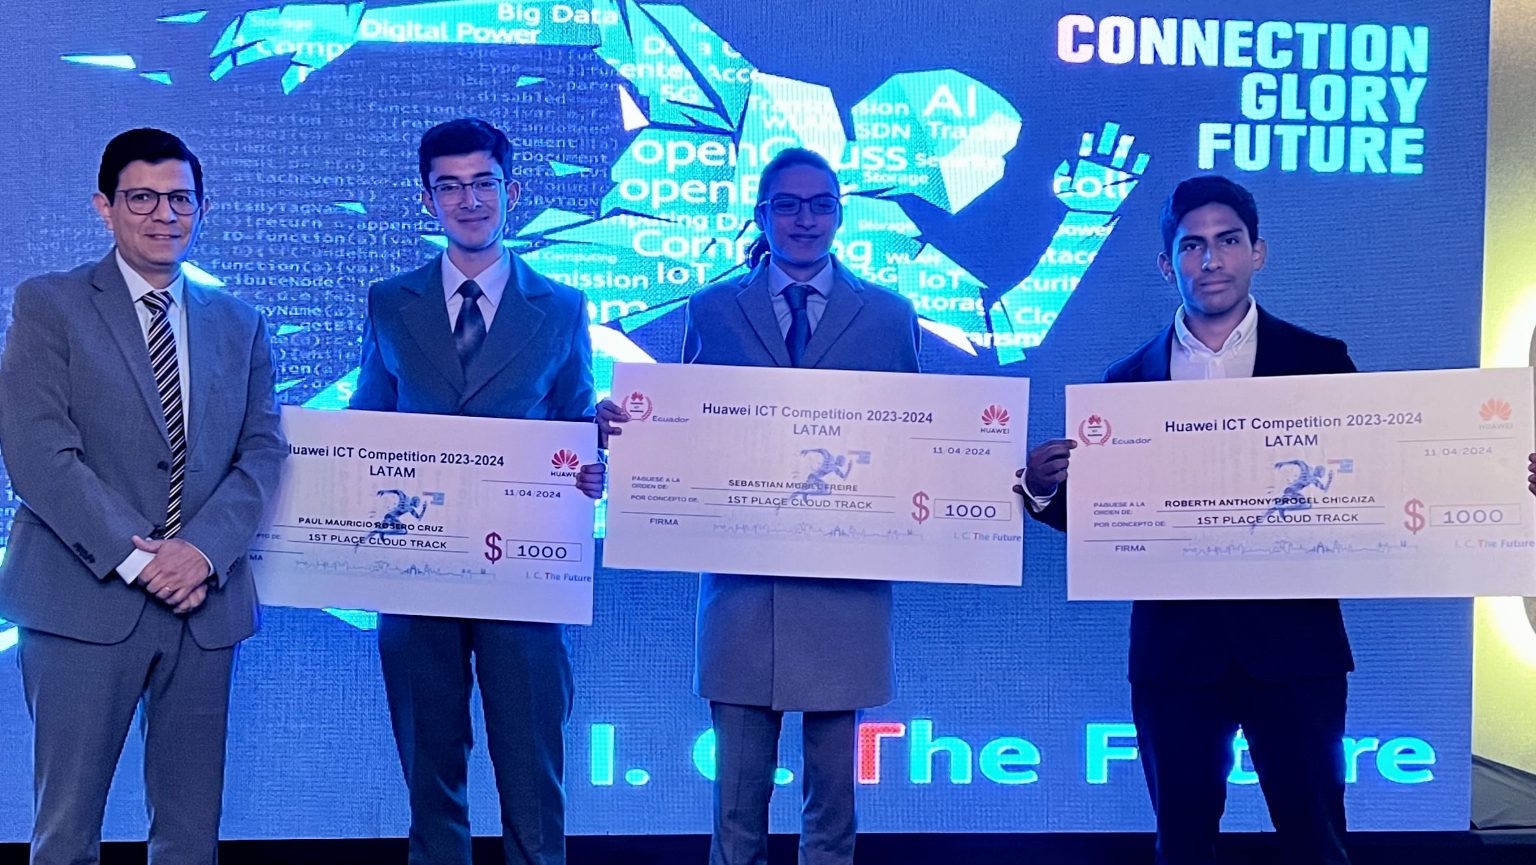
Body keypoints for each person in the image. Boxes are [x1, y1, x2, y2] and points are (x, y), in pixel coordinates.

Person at [1020, 175, 1355, 865]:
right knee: (1181, 846)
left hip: (1295, 649)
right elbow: (1114, 515)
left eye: (1227, 241)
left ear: (1257, 252)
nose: (1211, 259)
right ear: (1167, 264)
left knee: (1318, 843)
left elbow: (1373, 482)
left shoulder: (1321, 363)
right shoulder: (1126, 383)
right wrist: (1045, 491)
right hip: (1175, 654)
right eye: (1192, 245)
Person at [600, 147, 920, 865]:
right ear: (760, 213)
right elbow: (683, 428)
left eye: (821, 204)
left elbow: (915, 440)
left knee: (833, 808)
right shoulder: (713, 308)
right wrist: (630, 433)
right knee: (736, 808)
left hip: (844, 591)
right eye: (787, 204)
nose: (805, 219)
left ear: (840, 215)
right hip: (744, 592)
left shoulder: (889, 316)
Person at [0, 128, 287, 865]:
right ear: (105, 207)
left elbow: (262, 451)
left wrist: (202, 552)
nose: (165, 214)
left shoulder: (240, 323)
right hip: (82, 599)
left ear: (202, 208)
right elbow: (38, 453)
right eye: (142, 198)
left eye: (181, 199)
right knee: (66, 833)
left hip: (204, 604)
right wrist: (142, 559)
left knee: (190, 836)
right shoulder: (49, 305)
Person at [349, 117, 603, 865]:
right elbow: (366, 425)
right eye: (449, 187)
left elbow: (576, 427)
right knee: (431, 781)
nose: (468, 201)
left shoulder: (562, 306)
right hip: (415, 571)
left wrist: (594, 465)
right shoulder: (389, 301)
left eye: (483, 183)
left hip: (522, 574)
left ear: (511, 192)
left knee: (532, 775)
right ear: (426, 199)